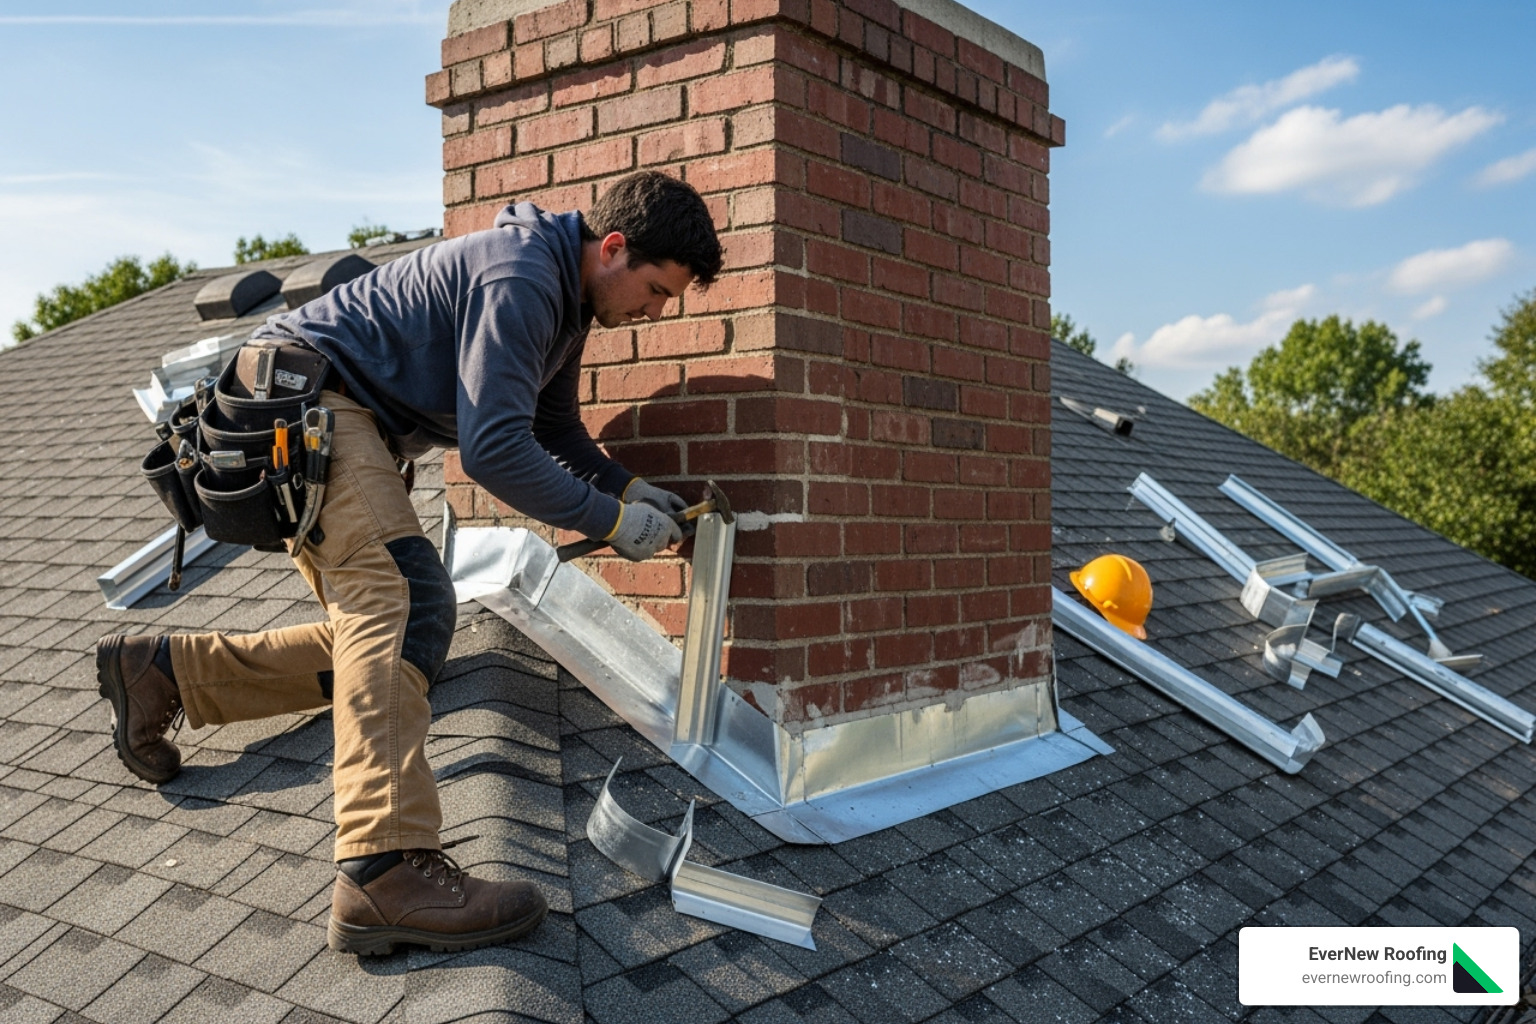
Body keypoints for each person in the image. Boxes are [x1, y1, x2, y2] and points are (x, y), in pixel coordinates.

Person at [94, 171, 724, 956]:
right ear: (615, 247)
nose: (654, 313)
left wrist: (629, 489)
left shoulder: (563, 294)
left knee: (391, 631)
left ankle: (166, 675)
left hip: (322, 405)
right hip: (305, 396)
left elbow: (551, 426)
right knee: (402, 600)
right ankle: (383, 869)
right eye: (657, 291)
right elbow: (494, 449)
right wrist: (608, 520)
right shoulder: (524, 275)